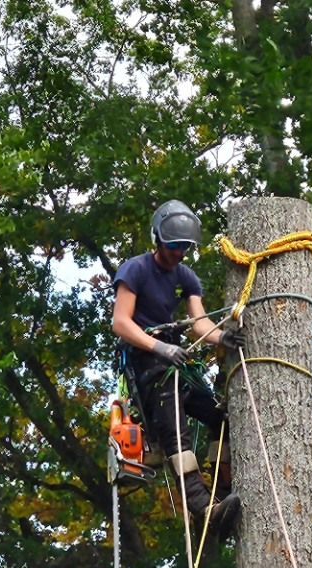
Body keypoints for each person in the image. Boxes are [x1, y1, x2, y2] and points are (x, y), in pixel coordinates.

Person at [111, 198, 242, 536]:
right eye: (174, 246)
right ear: (158, 240)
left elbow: (199, 324)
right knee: (176, 431)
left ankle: (223, 492)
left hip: (174, 362)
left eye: (184, 247)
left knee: (221, 417)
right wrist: (161, 347)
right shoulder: (135, 270)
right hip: (148, 363)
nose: (179, 254)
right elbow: (121, 322)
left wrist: (222, 338)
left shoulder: (186, 276)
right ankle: (204, 508)